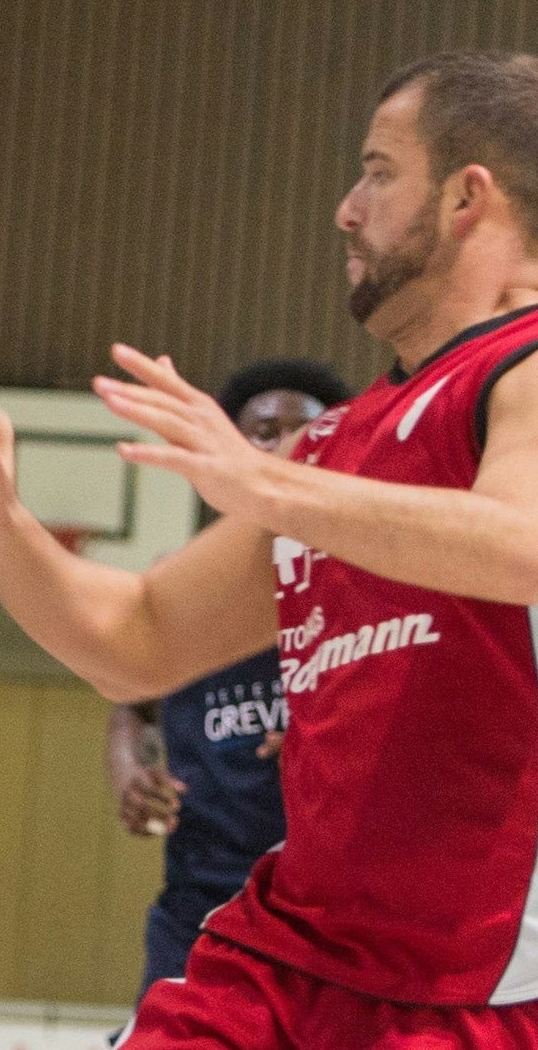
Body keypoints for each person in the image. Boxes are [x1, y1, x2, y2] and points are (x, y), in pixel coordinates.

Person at [0, 51, 538, 1047]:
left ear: (467, 197)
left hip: (518, 984)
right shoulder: (333, 447)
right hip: (294, 965)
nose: (345, 209)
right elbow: (136, 639)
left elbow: (526, 545)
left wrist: (263, 484)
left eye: (378, 172)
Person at [106, 359, 349, 1000]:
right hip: (202, 898)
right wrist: (131, 772)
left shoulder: (363, 580)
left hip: (332, 909)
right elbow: (134, 704)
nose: (285, 447)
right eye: (265, 432)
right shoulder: (185, 579)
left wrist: (333, 745)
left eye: (306, 432)